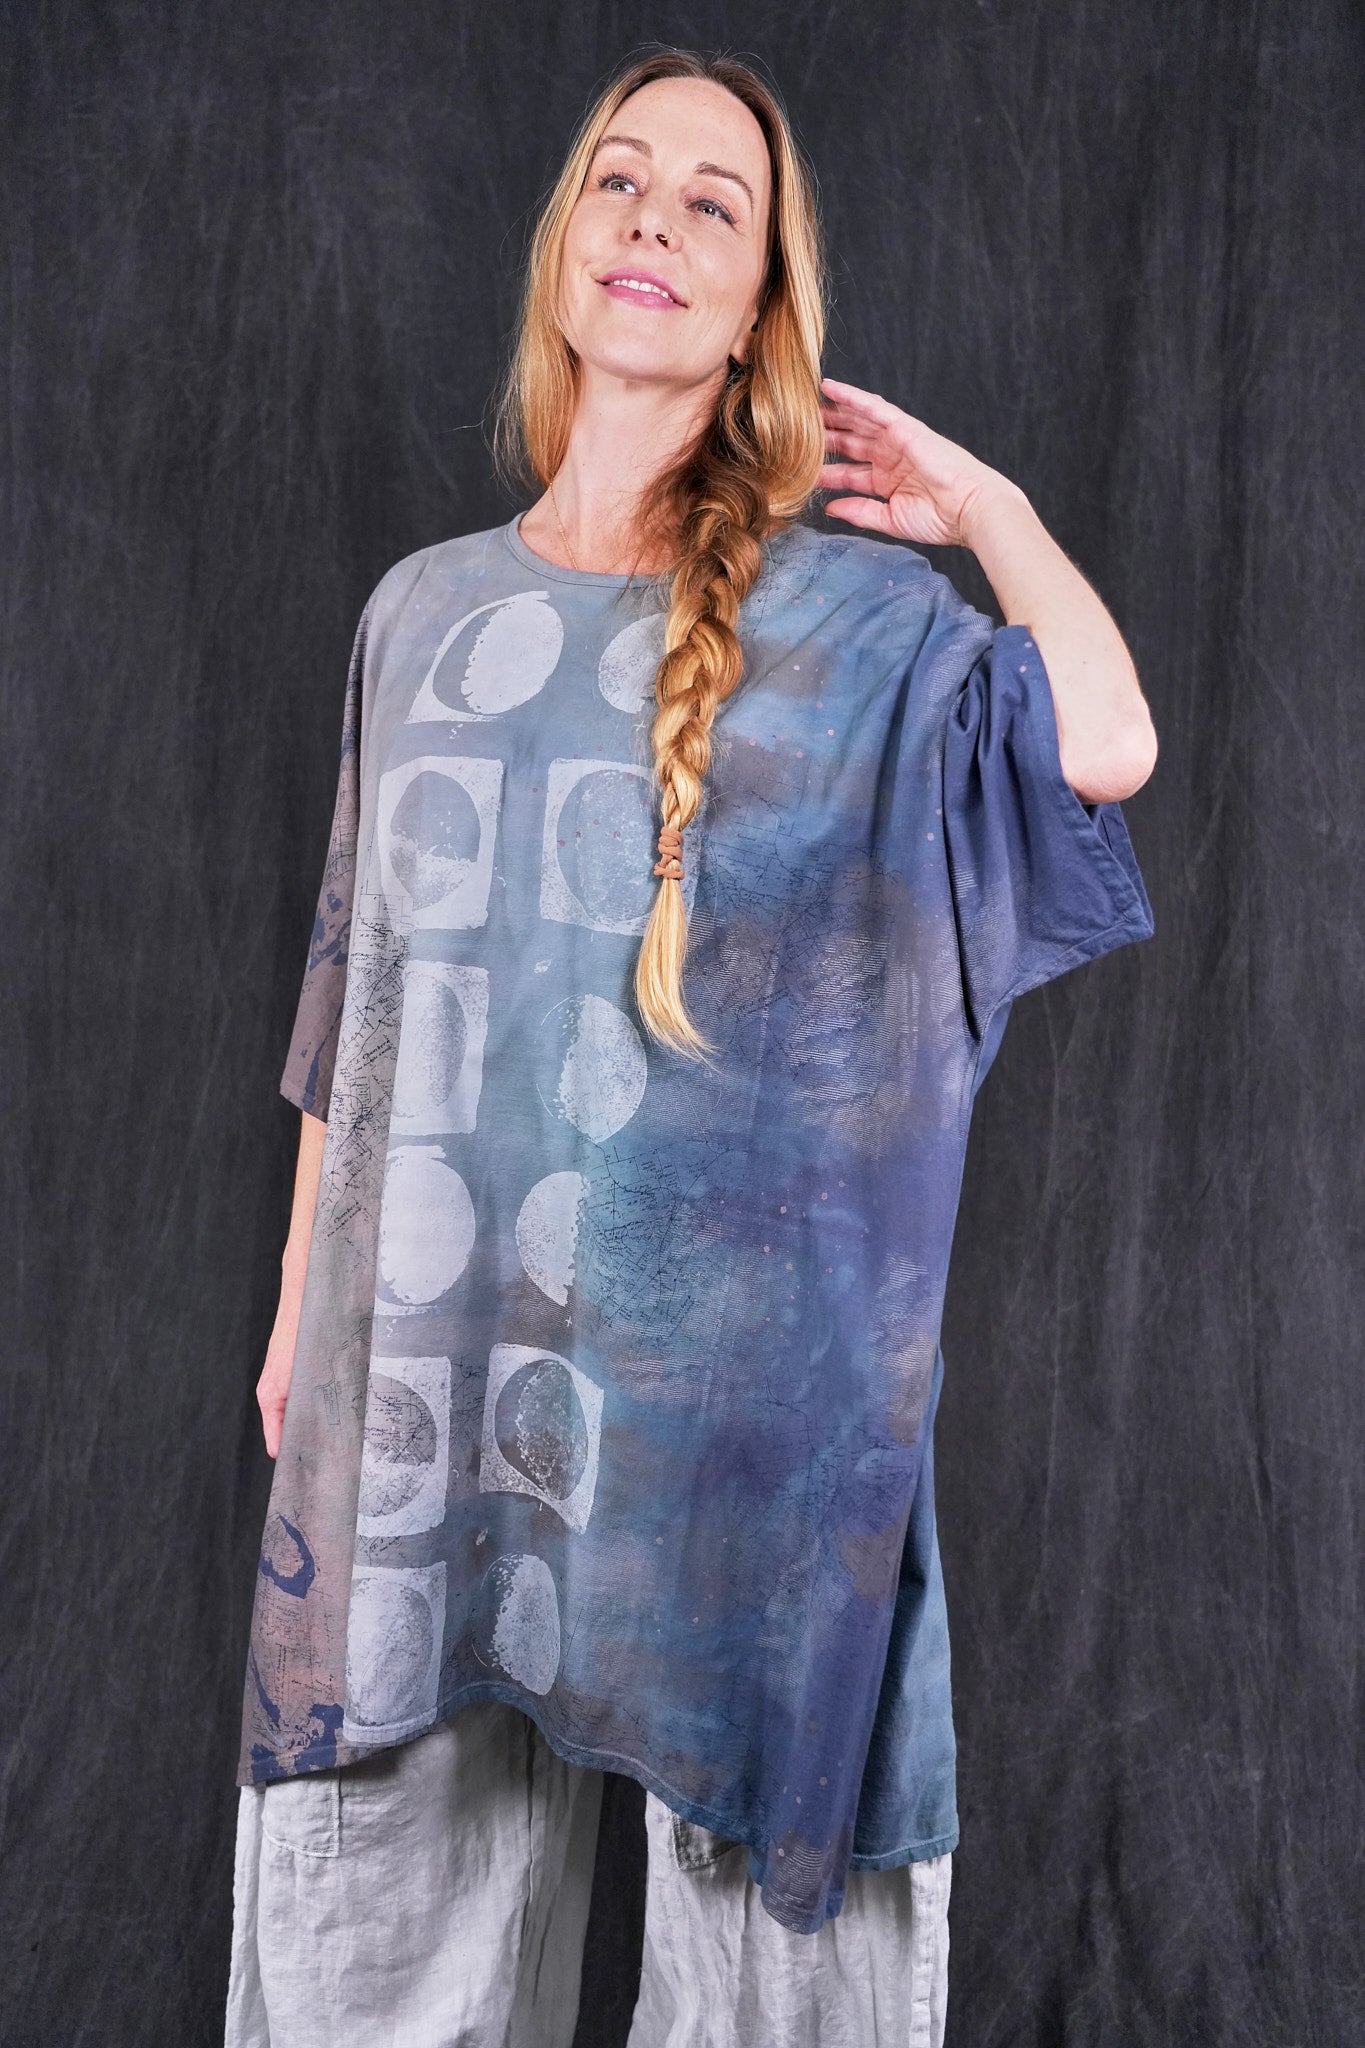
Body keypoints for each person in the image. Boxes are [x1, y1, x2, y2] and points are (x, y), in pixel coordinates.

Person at [225, 45, 1157, 2048]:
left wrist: (984, 512)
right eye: (618, 180)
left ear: (754, 313)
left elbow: (1101, 744)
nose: (650, 218)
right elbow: (354, 992)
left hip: (732, 1408)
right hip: (430, 1366)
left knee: (757, 1949)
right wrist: (303, 1303)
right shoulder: (418, 614)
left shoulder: (860, 627)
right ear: (563, 246)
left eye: (710, 203)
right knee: (387, 1905)